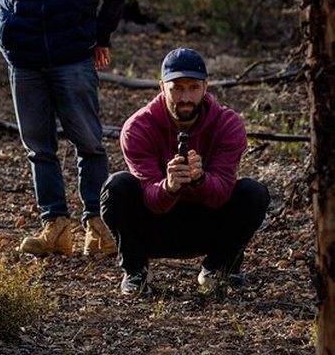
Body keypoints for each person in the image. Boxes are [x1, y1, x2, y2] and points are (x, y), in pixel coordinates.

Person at [0, 0, 128, 256]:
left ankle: (97, 227)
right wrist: (8, 36)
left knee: (88, 142)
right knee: (39, 147)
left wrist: (102, 35)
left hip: (74, 54)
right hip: (25, 58)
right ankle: (55, 226)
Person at [100, 48, 270, 295]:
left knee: (254, 193)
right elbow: (151, 198)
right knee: (115, 188)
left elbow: (222, 193)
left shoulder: (228, 125)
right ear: (162, 87)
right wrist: (169, 186)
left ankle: (219, 267)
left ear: (205, 87)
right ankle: (135, 272)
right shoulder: (137, 128)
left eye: (193, 87)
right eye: (177, 88)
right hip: (156, 225)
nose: (185, 97)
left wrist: (200, 179)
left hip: (207, 222)